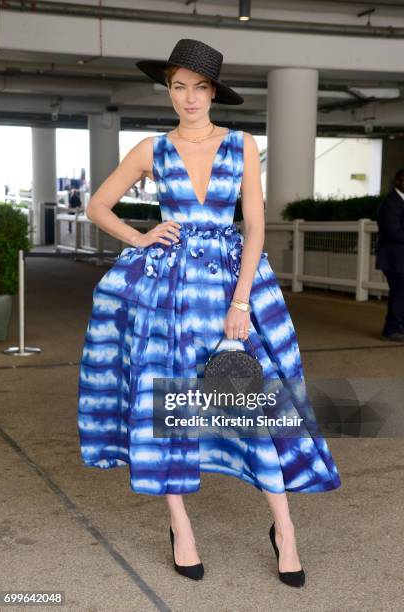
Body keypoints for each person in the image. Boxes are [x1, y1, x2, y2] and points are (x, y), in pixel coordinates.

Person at [77, 38, 341, 586]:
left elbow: (256, 227)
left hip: (229, 286)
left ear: (214, 92)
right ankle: (181, 527)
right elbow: (96, 205)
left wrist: (241, 301)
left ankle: (285, 529)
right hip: (168, 292)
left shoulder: (241, 143)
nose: (189, 98)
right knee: (169, 401)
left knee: (256, 402)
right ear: (168, 89)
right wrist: (141, 237)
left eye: (200, 87)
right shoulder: (152, 148)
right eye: (179, 86)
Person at [376, 169, 404, 342]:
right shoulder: (392, 202)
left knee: (400, 293)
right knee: (399, 293)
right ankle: (392, 329)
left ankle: (397, 327)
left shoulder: (399, 201)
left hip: (399, 259)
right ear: (399, 181)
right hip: (394, 259)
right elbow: (392, 231)